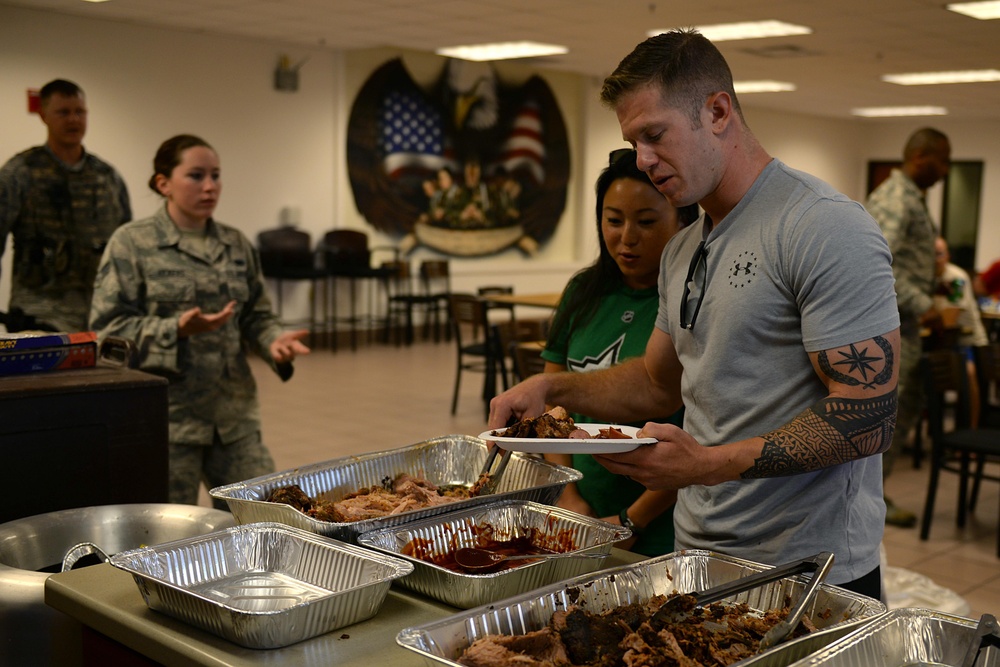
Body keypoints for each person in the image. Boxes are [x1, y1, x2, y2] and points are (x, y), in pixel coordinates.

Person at [489, 29, 900, 599]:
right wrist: (553, 388)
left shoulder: (822, 226)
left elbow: (868, 415)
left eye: (655, 135)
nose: (644, 160)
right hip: (700, 553)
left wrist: (705, 465)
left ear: (717, 111)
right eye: (634, 142)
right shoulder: (684, 247)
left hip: (809, 570)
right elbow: (659, 384)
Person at [89, 134, 310, 506]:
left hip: (234, 417)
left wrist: (272, 341)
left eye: (216, 175)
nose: (209, 187)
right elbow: (107, 334)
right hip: (169, 422)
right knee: (169, 534)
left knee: (267, 520)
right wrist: (172, 328)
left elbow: (256, 314)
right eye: (195, 176)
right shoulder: (132, 243)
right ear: (164, 184)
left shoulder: (235, 244)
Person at [542, 148, 699, 557]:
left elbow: (702, 430)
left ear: (683, 221)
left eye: (646, 222)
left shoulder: (694, 302)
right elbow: (552, 411)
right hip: (579, 510)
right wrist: (569, 498)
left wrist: (634, 519)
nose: (626, 238)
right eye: (613, 220)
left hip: (661, 528)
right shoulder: (584, 292)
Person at [866, 128, 951, 528]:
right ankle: (869, 501)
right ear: (920, 157)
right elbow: (875, 261)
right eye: (943, 160)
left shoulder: (910, 198)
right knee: (885, 420)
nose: (946, 171)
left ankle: (877, 496)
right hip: (891, 328)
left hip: (907, 326)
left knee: (899, 418)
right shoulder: (897, 197)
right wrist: (923, 304)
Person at [0, 79, 131, 332]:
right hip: (39, 315)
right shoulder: (20, 173)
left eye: (79, 112)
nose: (73, 120)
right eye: (63, 112)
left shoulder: (107, 177)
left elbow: (127, 249)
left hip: (100, 316)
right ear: (43, 115)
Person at [934, 236, 989, 426]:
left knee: (968, 375)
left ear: (947, 255)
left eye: (939, 254)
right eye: (931, 254)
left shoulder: (955, 278)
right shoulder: (928, 277)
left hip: (968, 341)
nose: (935, 258)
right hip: (942, 341)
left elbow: (950, 318)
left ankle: (971, 432)